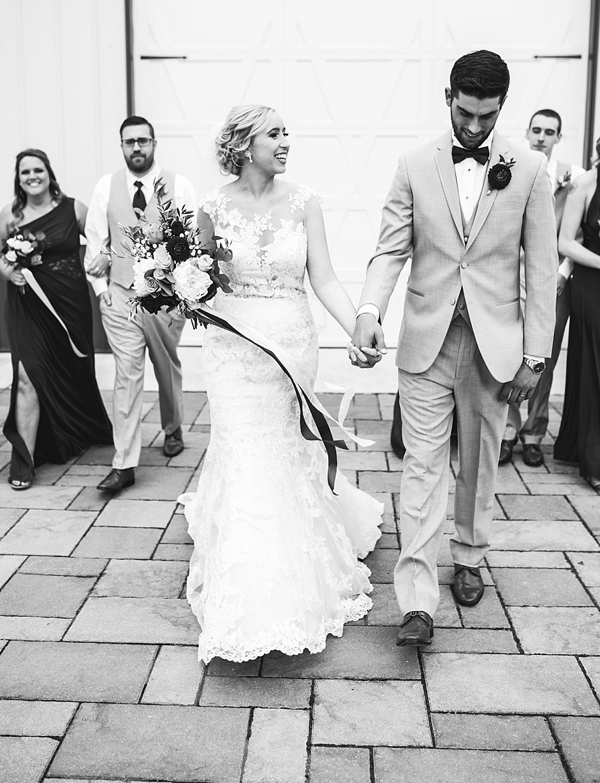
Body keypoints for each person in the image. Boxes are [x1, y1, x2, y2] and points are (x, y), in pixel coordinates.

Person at [350, 50, 557, 647]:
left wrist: (535, 357)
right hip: (426, 340)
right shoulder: (415, 163)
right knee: (421, 467)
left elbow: (540, 271)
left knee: (479, 459)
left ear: (501, 108)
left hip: (496, 344)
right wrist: (369, 311)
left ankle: (468, 552)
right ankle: (416, 600)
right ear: (449, 98)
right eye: (465, 115)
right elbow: (390, 249)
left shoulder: (531, 170)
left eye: (485, 118)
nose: (473, 128)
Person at [178, 105, 383, 663]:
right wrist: (174, 288)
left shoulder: (305, 203)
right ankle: (246, 591)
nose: (287, 141)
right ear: (246, 144)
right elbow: (196, 279)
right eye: (275, 133)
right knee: (244, 453)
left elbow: (324, 277)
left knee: (287, 448)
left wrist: (359, 327)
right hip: (232, 354)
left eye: (286, 132)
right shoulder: (212, 208)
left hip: (290, 348)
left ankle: (298, 563)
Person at [85, 116, 197, 493]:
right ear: (121, 145)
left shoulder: (179, 185)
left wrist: (184, 296)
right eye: (129, 142)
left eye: (143, 141)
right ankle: (124, 463)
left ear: (154, 143)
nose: (137, 148)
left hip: (164, 301)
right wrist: (102, 290)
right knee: (127, 374)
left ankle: (173, 425)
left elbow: (193, 244)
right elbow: (96, 241)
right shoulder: (106, 186)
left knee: (166, 367)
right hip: (119, 298)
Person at [0, 149, 112, 489]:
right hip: (27, 307)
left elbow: (103, 238)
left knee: (73, 370)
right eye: (24, 172)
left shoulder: (73, 209)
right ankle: (25, 459)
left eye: (38, 170)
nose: (32, 176)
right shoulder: (9, 215)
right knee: (26, 375)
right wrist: (8, 272)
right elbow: (0, 258)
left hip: (70, 305)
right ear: (18, 179)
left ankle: (75, 429)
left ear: (49, 173)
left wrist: (105, 257)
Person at [499, 109, 585, 467]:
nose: (541, 137)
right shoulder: (512, 169)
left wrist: (564, 271)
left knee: (543, 360)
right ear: (527, 132)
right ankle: (506, 433)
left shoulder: (573, 177)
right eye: (535, 130)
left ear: (558, 138)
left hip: (556, 281)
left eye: (549, 132)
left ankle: (534, 434)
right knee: (507, 357)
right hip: (513, 277)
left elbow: (578, 232)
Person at [554, 137, 600, 490]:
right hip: (591, 282)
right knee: (594, 368)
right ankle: (594, 462)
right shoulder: (586, 184)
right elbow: (566, 242)